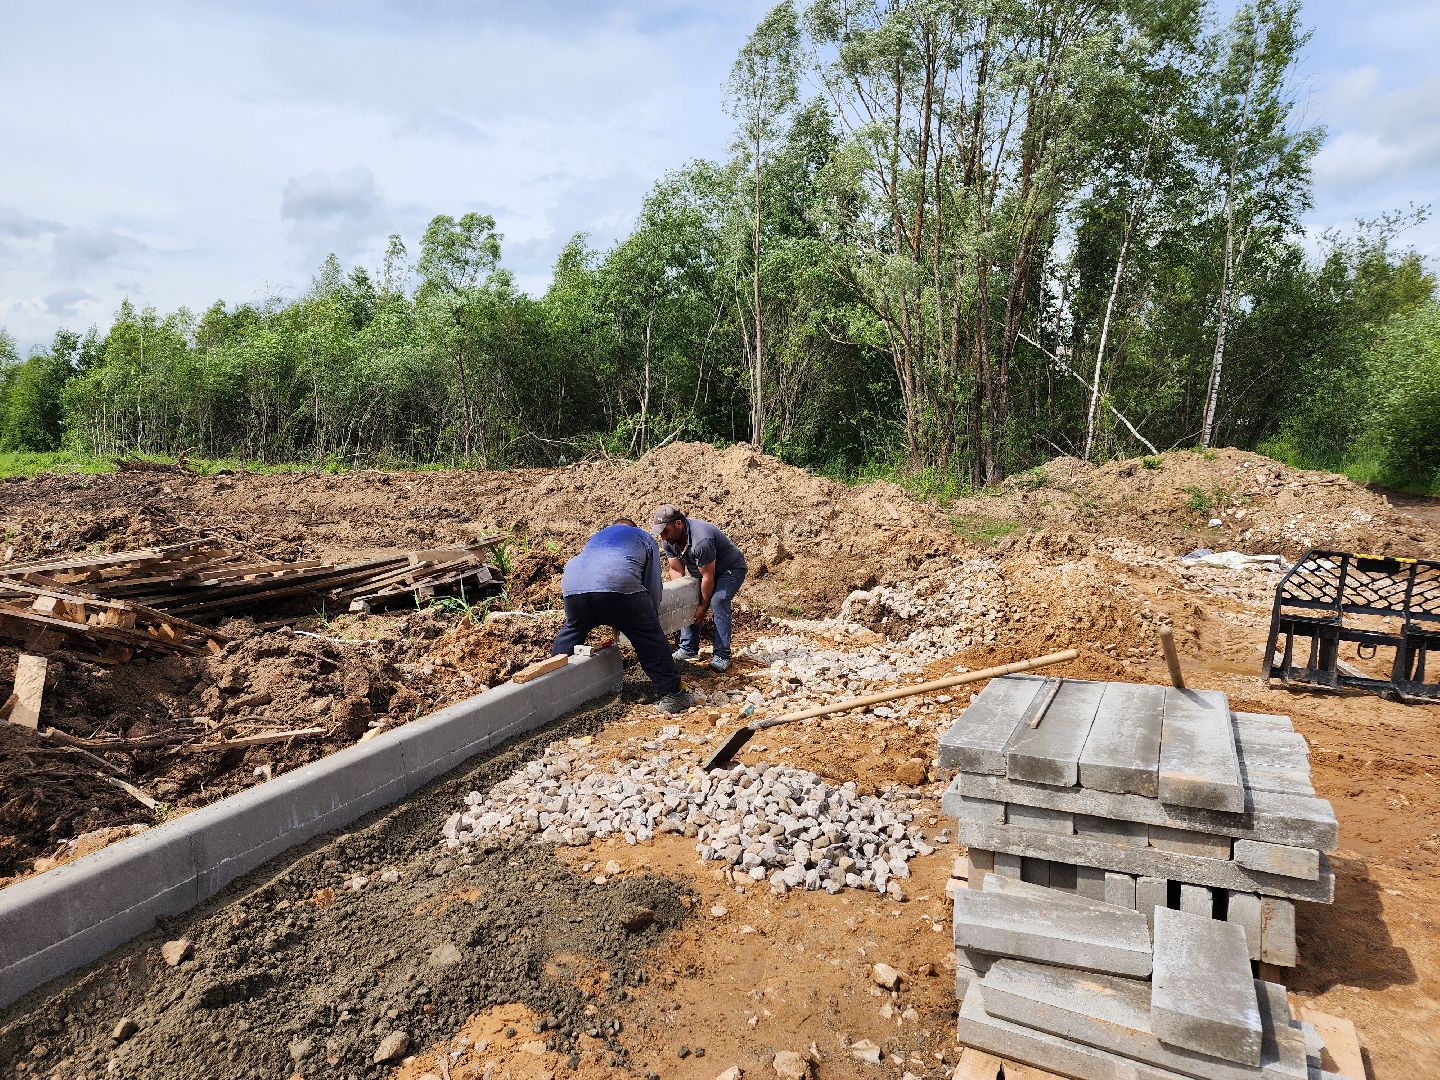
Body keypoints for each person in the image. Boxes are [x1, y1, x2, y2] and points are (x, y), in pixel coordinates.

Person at [551, 518, 692, 714]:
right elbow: (651, 585)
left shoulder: (595, 538)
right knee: (650, 638)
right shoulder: (643, 537)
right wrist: (647, 618)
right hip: (619, 586)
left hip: (574, 589)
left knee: (573, 630)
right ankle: (673, 694)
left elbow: (595, 577)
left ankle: (552, 685)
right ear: (634, 528)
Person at [653, 504, 748, 672]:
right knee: (688, 596)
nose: (663, 537)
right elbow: (676, 569)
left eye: (665, 531)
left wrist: (703, 607)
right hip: (705, 572)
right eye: (660, 532)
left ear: (679, 524)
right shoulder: (669, 541)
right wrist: (681, 595)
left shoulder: (700, 540)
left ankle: (722, 655)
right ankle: (688, 648)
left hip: (730, 569)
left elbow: (708, 576)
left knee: (718, 601)